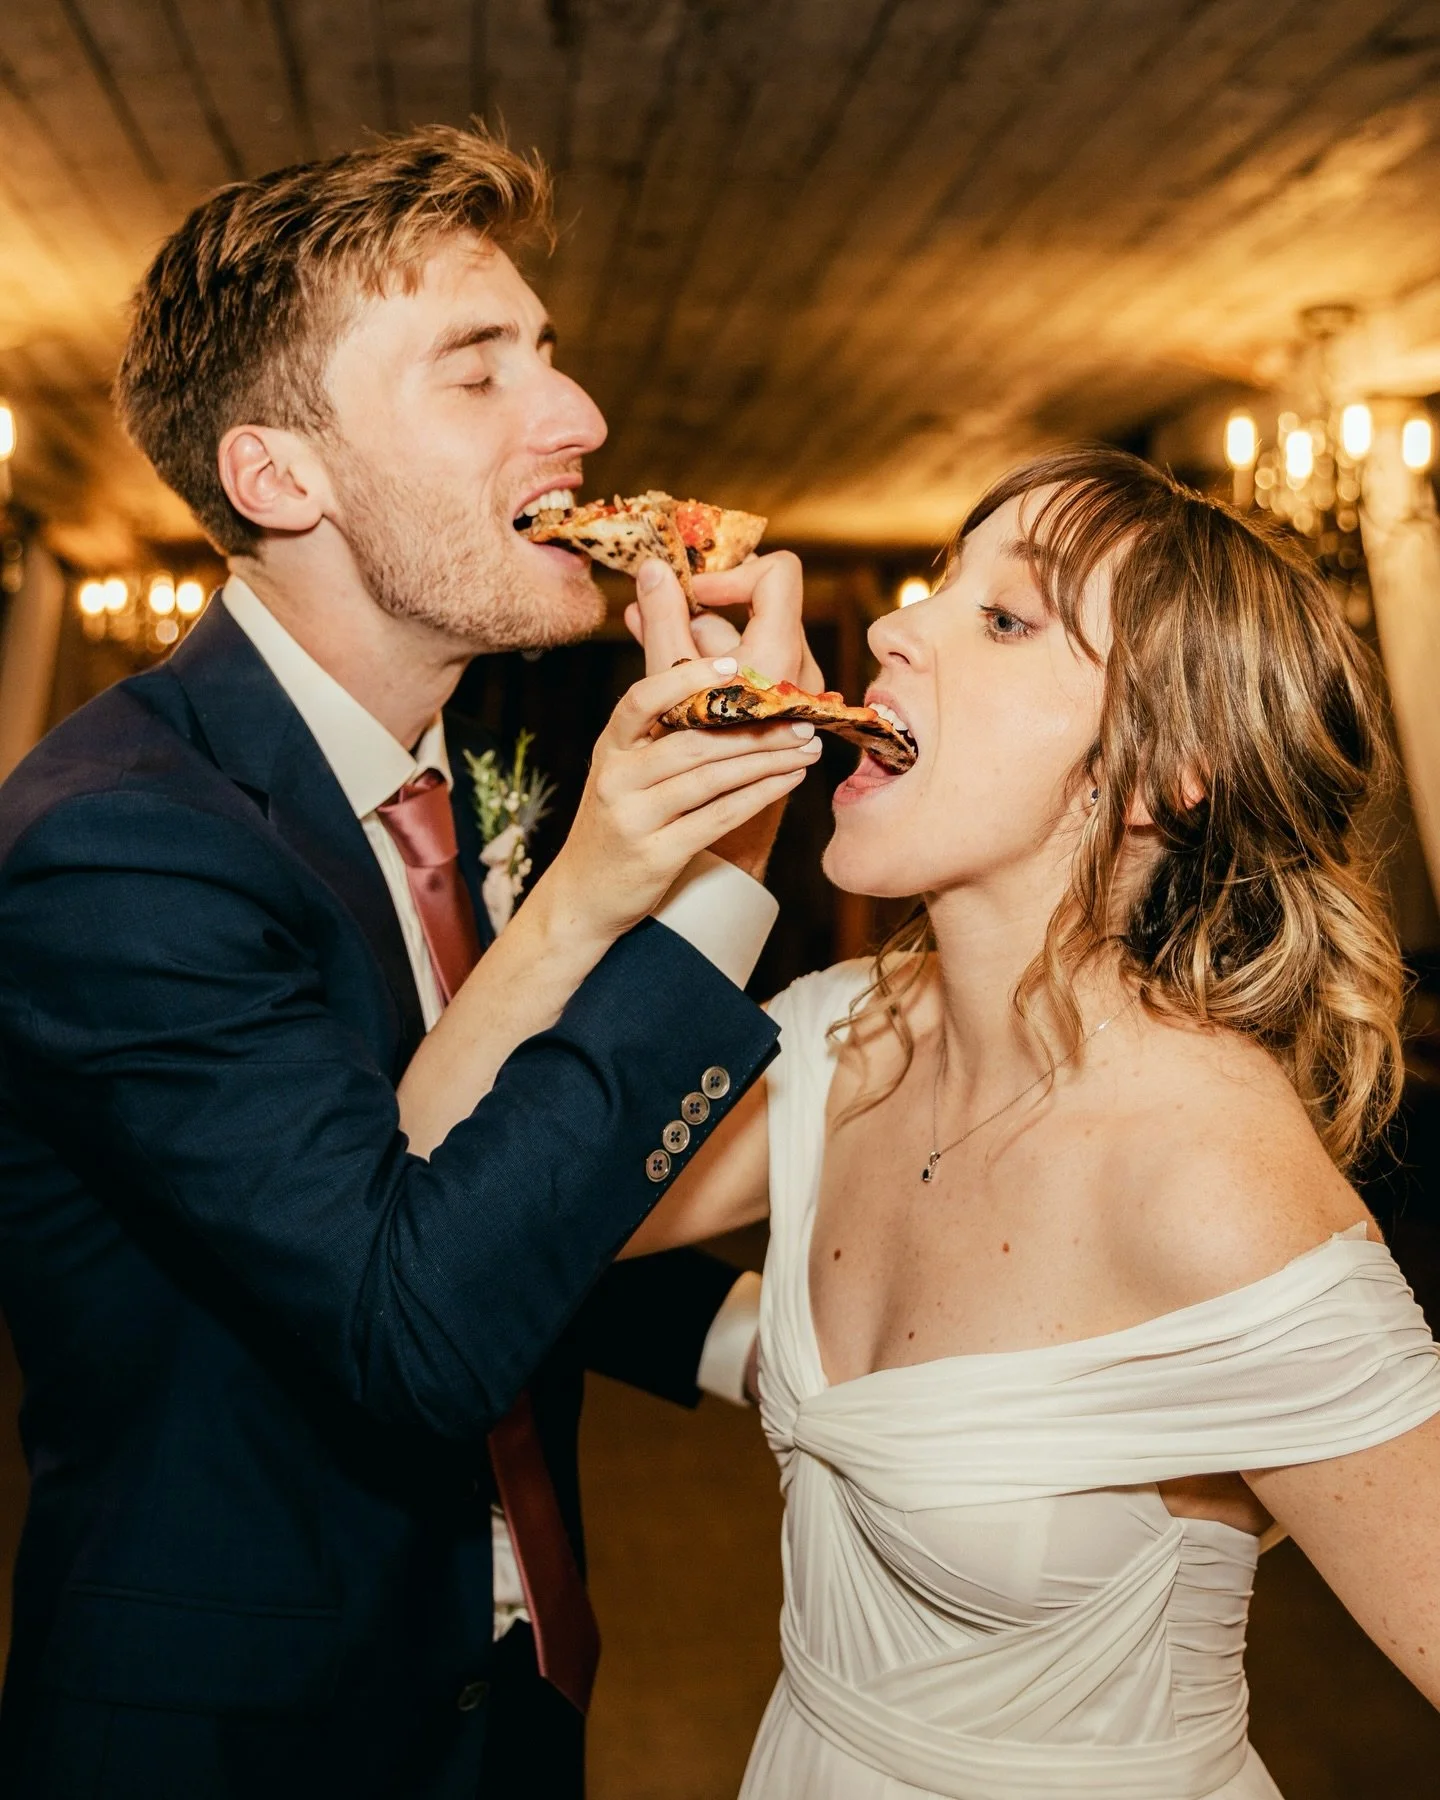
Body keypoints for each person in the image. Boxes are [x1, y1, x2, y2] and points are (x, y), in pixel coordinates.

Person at [0, 126, 823, 1800]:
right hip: (257, 1739)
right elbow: (408, 1313)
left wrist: (778, 1352)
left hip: (511, 1689)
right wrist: (711, 872)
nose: (580, 413)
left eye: (548, 350)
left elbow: (486, 1167)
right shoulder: (115, 845)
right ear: (279, 479)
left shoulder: (441, 784)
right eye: (479, 368)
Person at [426, 444, 1440, 1796]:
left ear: (1164, 773)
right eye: (938, 589)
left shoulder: (1207, 1177)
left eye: (1006, 617)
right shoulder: (834, 1040)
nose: (896, 627)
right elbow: (447, 1202)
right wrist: (637, 870)